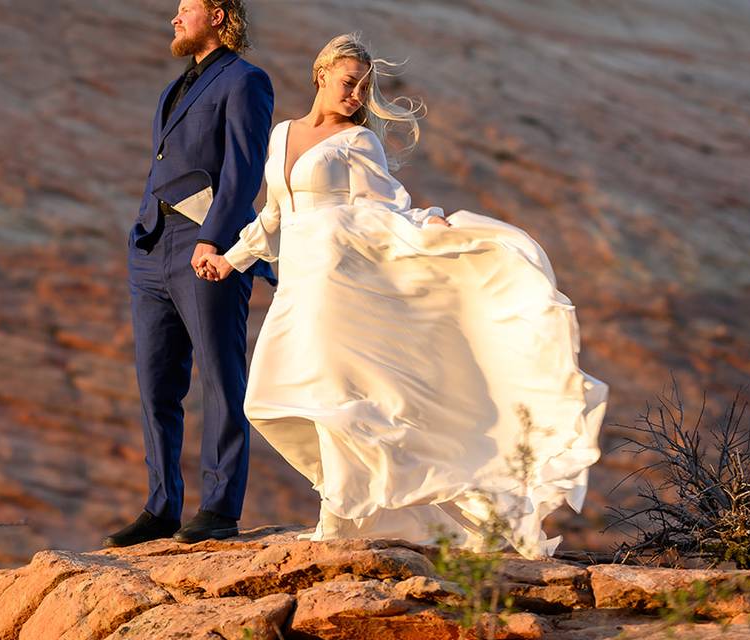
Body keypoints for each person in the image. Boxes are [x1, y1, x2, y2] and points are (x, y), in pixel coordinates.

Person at [199, 33, 607, 558]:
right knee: (269, 399)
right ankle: (355, 506)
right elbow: (275, 215)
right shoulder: (281, 135)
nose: (356, 97)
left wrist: (429, 225)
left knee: (332, 394)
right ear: (321, 73)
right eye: (349, 84)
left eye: (364, 90)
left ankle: (341, 518)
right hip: (299, 281)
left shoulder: (359, 142)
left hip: (338, 281)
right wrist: (229, 260)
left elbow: (389, 205)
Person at [102, 0, 275, 547]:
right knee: (156, 385)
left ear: (219, 15)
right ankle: (161, 507)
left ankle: (220, 508)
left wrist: (215, 237)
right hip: (151, 247)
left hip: (206, 246)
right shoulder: (175, 87)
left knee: (221, 377)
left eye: (185, 8)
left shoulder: (246, 80)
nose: (174, 18)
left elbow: (244, 169)